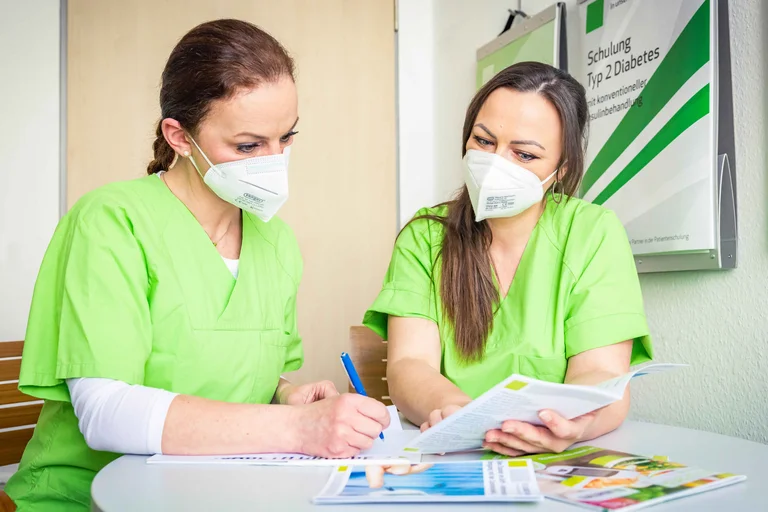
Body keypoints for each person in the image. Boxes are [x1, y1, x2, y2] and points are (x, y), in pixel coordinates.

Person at [5, 19, 388, 511]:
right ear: (180, 137)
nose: (273, 160)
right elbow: (105, 414)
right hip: (89, 497)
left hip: (218, 492)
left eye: (286, 138)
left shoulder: (276, 241)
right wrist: (300, 427)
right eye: (248, 145)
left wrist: (287, 396)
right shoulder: (111, 221)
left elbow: (237, 370)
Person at [363, 61, 652, 458]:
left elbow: (601, 373)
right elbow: (409, 363)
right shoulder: (426, 236)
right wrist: (461, 416)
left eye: (525, 154)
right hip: (453, 452)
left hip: (558, 459)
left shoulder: (592, 233)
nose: (497, 162)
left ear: (560, 169)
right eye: (484, 141)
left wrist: (571, 425)